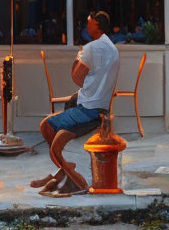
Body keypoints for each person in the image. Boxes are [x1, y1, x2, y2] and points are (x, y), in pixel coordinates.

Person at [32, 11, 119, 197]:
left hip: (88, 109)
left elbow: (77, 77)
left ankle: (71, 176)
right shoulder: (112, 49)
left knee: (46, 126)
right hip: (101, 107)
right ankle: (62, 172)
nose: (86, 27)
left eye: (89, 24)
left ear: (97, 25)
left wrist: (78, 58)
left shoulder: (90, 48)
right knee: (61, 126)